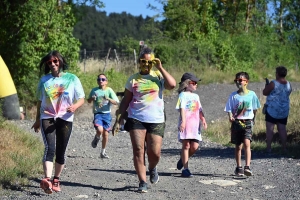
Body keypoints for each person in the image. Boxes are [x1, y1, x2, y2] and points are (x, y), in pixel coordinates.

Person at [115, 47, 176, 193]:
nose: (146, 64)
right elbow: (125, 101)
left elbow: (172, 85)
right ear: (139, 62)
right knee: (138, 150)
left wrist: (160, 67)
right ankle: (142, 181)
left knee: (154, 153)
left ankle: (152, 167)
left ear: (153, 62)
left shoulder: (158, 76)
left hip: (156, 119)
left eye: (150, 62)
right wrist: (119, 119)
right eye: (143, 61)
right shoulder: (133, 79)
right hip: (136, 118)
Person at [31, 50, 85, 194]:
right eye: (49, 62)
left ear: (60, 61)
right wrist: (37, 119)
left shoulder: (72, 78)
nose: (53, 64)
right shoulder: (44, 80)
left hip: (65, 118)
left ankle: (56, 179)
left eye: (55, 61)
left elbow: (81, 98)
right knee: (50, 148)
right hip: (47, 116)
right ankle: (47, 180)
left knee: (61, 150)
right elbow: (39, 101)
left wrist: (74, 106)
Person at [224, 72, 261, 176]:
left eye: (240, 80)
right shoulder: (233, 96)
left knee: (247, 143)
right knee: (238, 146)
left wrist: (253, 119)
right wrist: (230, 116)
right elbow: (229, 108)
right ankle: (238, 167)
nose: (238, 82)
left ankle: (247, 167)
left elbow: (255, 109)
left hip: (248, 121)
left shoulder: (252, 94)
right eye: (236, 80)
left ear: (246, 82)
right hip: (237, 122)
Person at [175, 72, 207, 177]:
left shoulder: (196, 96)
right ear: (187, 83)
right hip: (186, 124)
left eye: (196, 83)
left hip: (195, 125)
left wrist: (203, 119)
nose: (196, 85)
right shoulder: (182, 95)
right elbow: (182, 108)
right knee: (186, 145)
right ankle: (186, 169)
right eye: (194, 82)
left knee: (195, 146)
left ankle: (183, 159)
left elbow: (199, 109)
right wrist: (183, 121)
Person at [89, 74, 119, 158]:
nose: (101, 81)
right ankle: (97, 137)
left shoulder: (109, 90)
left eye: (103, 79)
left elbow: (116, 102)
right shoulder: (94, 90)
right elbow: (88, 100)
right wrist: (92, 98)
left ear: (106, 81)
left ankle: (103, 152)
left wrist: (108, 99)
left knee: (106, 134)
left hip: (107, 114)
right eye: (99, 79)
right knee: (99, 129)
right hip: (97, 113)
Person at [263, 66, 292, 153]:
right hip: (283, 110)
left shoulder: (273, 83)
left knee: (270, 129)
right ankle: (284, 147)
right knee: (282, 128)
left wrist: (267, 86)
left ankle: (269, 148)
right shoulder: (288, 84)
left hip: (272, 109)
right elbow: (289, 92)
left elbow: (265, 92)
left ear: (277, 74)